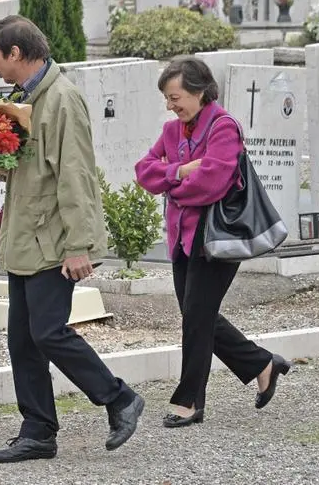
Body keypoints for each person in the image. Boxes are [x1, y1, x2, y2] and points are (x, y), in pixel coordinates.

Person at [0, 15, 144, 464]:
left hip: (53, 241)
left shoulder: (62, 100)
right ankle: (37, 430)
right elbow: (21, 169)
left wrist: (79, 245)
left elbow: (75, 176)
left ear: (16, 53)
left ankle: (118, 398)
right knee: (22, 341)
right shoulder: (24, 98)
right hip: (25, 239)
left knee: (47, 332)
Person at [134, 57, 291, 428]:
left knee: (196, 318)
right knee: (197, 315)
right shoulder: (173, 131)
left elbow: (211, 184)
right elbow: (144, 171)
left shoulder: (223, 128)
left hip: (216, 238)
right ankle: (262, 363)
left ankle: (189, 401)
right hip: (182, 240)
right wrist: (180, 171)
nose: (171, 106)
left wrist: (172, 184)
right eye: (167, 99)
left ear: (199, 91)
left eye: (175, 97)